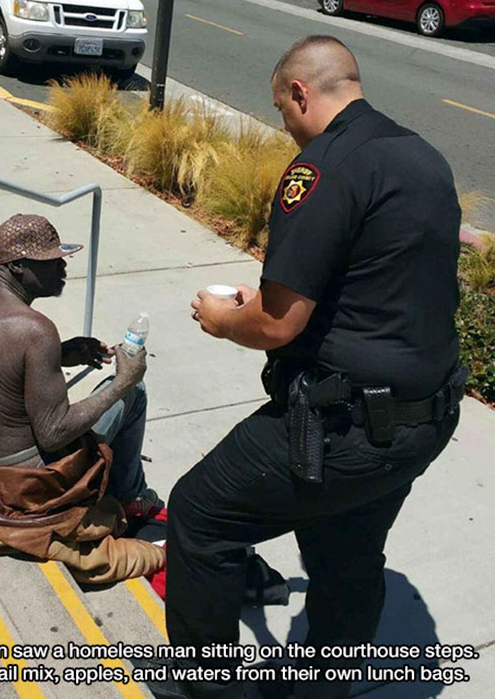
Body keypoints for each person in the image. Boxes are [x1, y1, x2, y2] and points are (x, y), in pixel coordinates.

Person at [156, 36, 467, 699]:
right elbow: (379, 285)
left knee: (200, 515)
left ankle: (204, 689)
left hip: (342, 427)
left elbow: (276, 323)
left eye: (282, 111)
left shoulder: (322, 168)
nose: (287, 129)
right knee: (347, 554)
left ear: (301, 93)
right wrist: (265, 300)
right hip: (424, 418)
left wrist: (222, 318)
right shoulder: (422, 156)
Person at [0, 213, 164, 520]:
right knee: (133, 391)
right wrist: (123, 380)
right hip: (25, 481)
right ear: (16, 266)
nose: (63, 266)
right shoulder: (36, 329)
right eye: (50, 260)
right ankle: (129, 496)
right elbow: (54, 433)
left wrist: (58, 354)